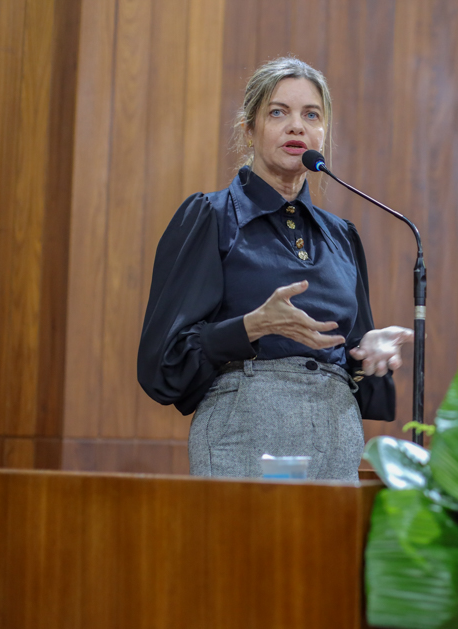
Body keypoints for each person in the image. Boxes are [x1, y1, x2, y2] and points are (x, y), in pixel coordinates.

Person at [137, 57, 412, 481]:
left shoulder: (341, 237)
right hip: (244, 431)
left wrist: (370, 351)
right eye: (278, 112)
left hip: (335, 438)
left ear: (323, 132)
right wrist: (250, 327)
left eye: (311, 115)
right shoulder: (210, 217)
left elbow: (349, 353)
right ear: (248, 129)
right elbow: (163, 363)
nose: (297, 126)